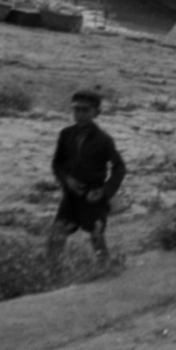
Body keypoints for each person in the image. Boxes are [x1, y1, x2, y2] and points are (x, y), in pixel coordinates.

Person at [46, 89, 126, 263]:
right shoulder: (66, 135)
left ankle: (105, 272)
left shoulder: (104, 140)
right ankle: (52, 274)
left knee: (97, 237)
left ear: (96, 113)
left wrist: (104, 192)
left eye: (85, 110)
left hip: (93, 198)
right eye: (76, 110)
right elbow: (57, 164)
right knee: (56, 237)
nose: (80, 115)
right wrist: (67, 180)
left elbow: (119, 167)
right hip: (71, 196)